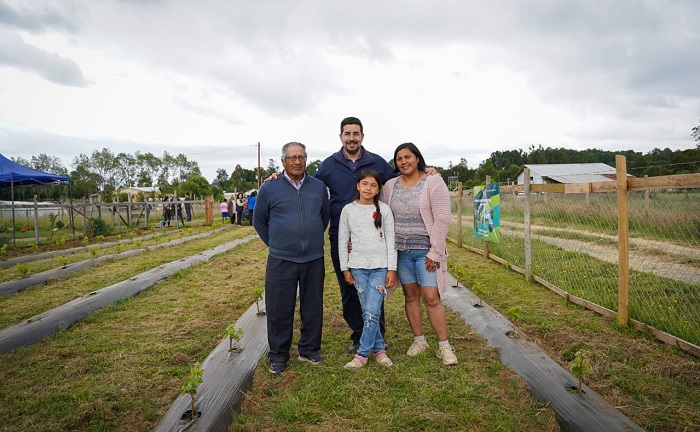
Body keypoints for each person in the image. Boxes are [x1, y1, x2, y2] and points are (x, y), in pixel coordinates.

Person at [314, 117, 396, 354]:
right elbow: (312, 188)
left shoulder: (377, 162)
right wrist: (278, 177)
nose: (351, 138)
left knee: (375, 286)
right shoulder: (329, 165)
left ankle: (377, 334)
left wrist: (425, 172)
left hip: (374, 234)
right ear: (340, 136)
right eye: (347, 133)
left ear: (362, 136)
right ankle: (359, 334)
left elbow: (399, 182)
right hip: (342, 233)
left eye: (356, 133)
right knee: (349, 286)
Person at [253, 142, 330, 375]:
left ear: (307, 160)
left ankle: (309, 349)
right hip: (281, 259)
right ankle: (278, 355)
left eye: (301, 157)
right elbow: (259, 221)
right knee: (279, 308)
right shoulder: (269, 187)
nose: (297, 161)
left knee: (312, 306)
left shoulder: (318, 186)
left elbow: (323, 217)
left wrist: (311, 239)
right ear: (283, 161)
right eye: (292, 157)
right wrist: (278, 244)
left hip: (313, 258)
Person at [379, 142, 458, 366]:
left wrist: (435, 251)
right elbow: (383, 215)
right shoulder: (390, 185)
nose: (404, 162)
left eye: (408, 157)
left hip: (426, 252)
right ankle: (419, 340)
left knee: (431, 297)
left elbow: (443, 218)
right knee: (411, 296)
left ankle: (444, 347)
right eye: (399, 159)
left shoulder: (433, 181)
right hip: (401, 252)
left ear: (417, 158)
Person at [338, 169, 397, 370]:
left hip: (380, 268)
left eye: (373, 185)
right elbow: (342, 240)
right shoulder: (348, 210)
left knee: (372, 310)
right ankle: (379, 350)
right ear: (358, 186)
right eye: (365, 184)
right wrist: (345, 267)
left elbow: (391, 241)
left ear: (378, 189)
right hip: (357, 268)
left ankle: (362, 354)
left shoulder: (385, 210)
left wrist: (392, 269)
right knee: (367, 311)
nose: (368, 188)